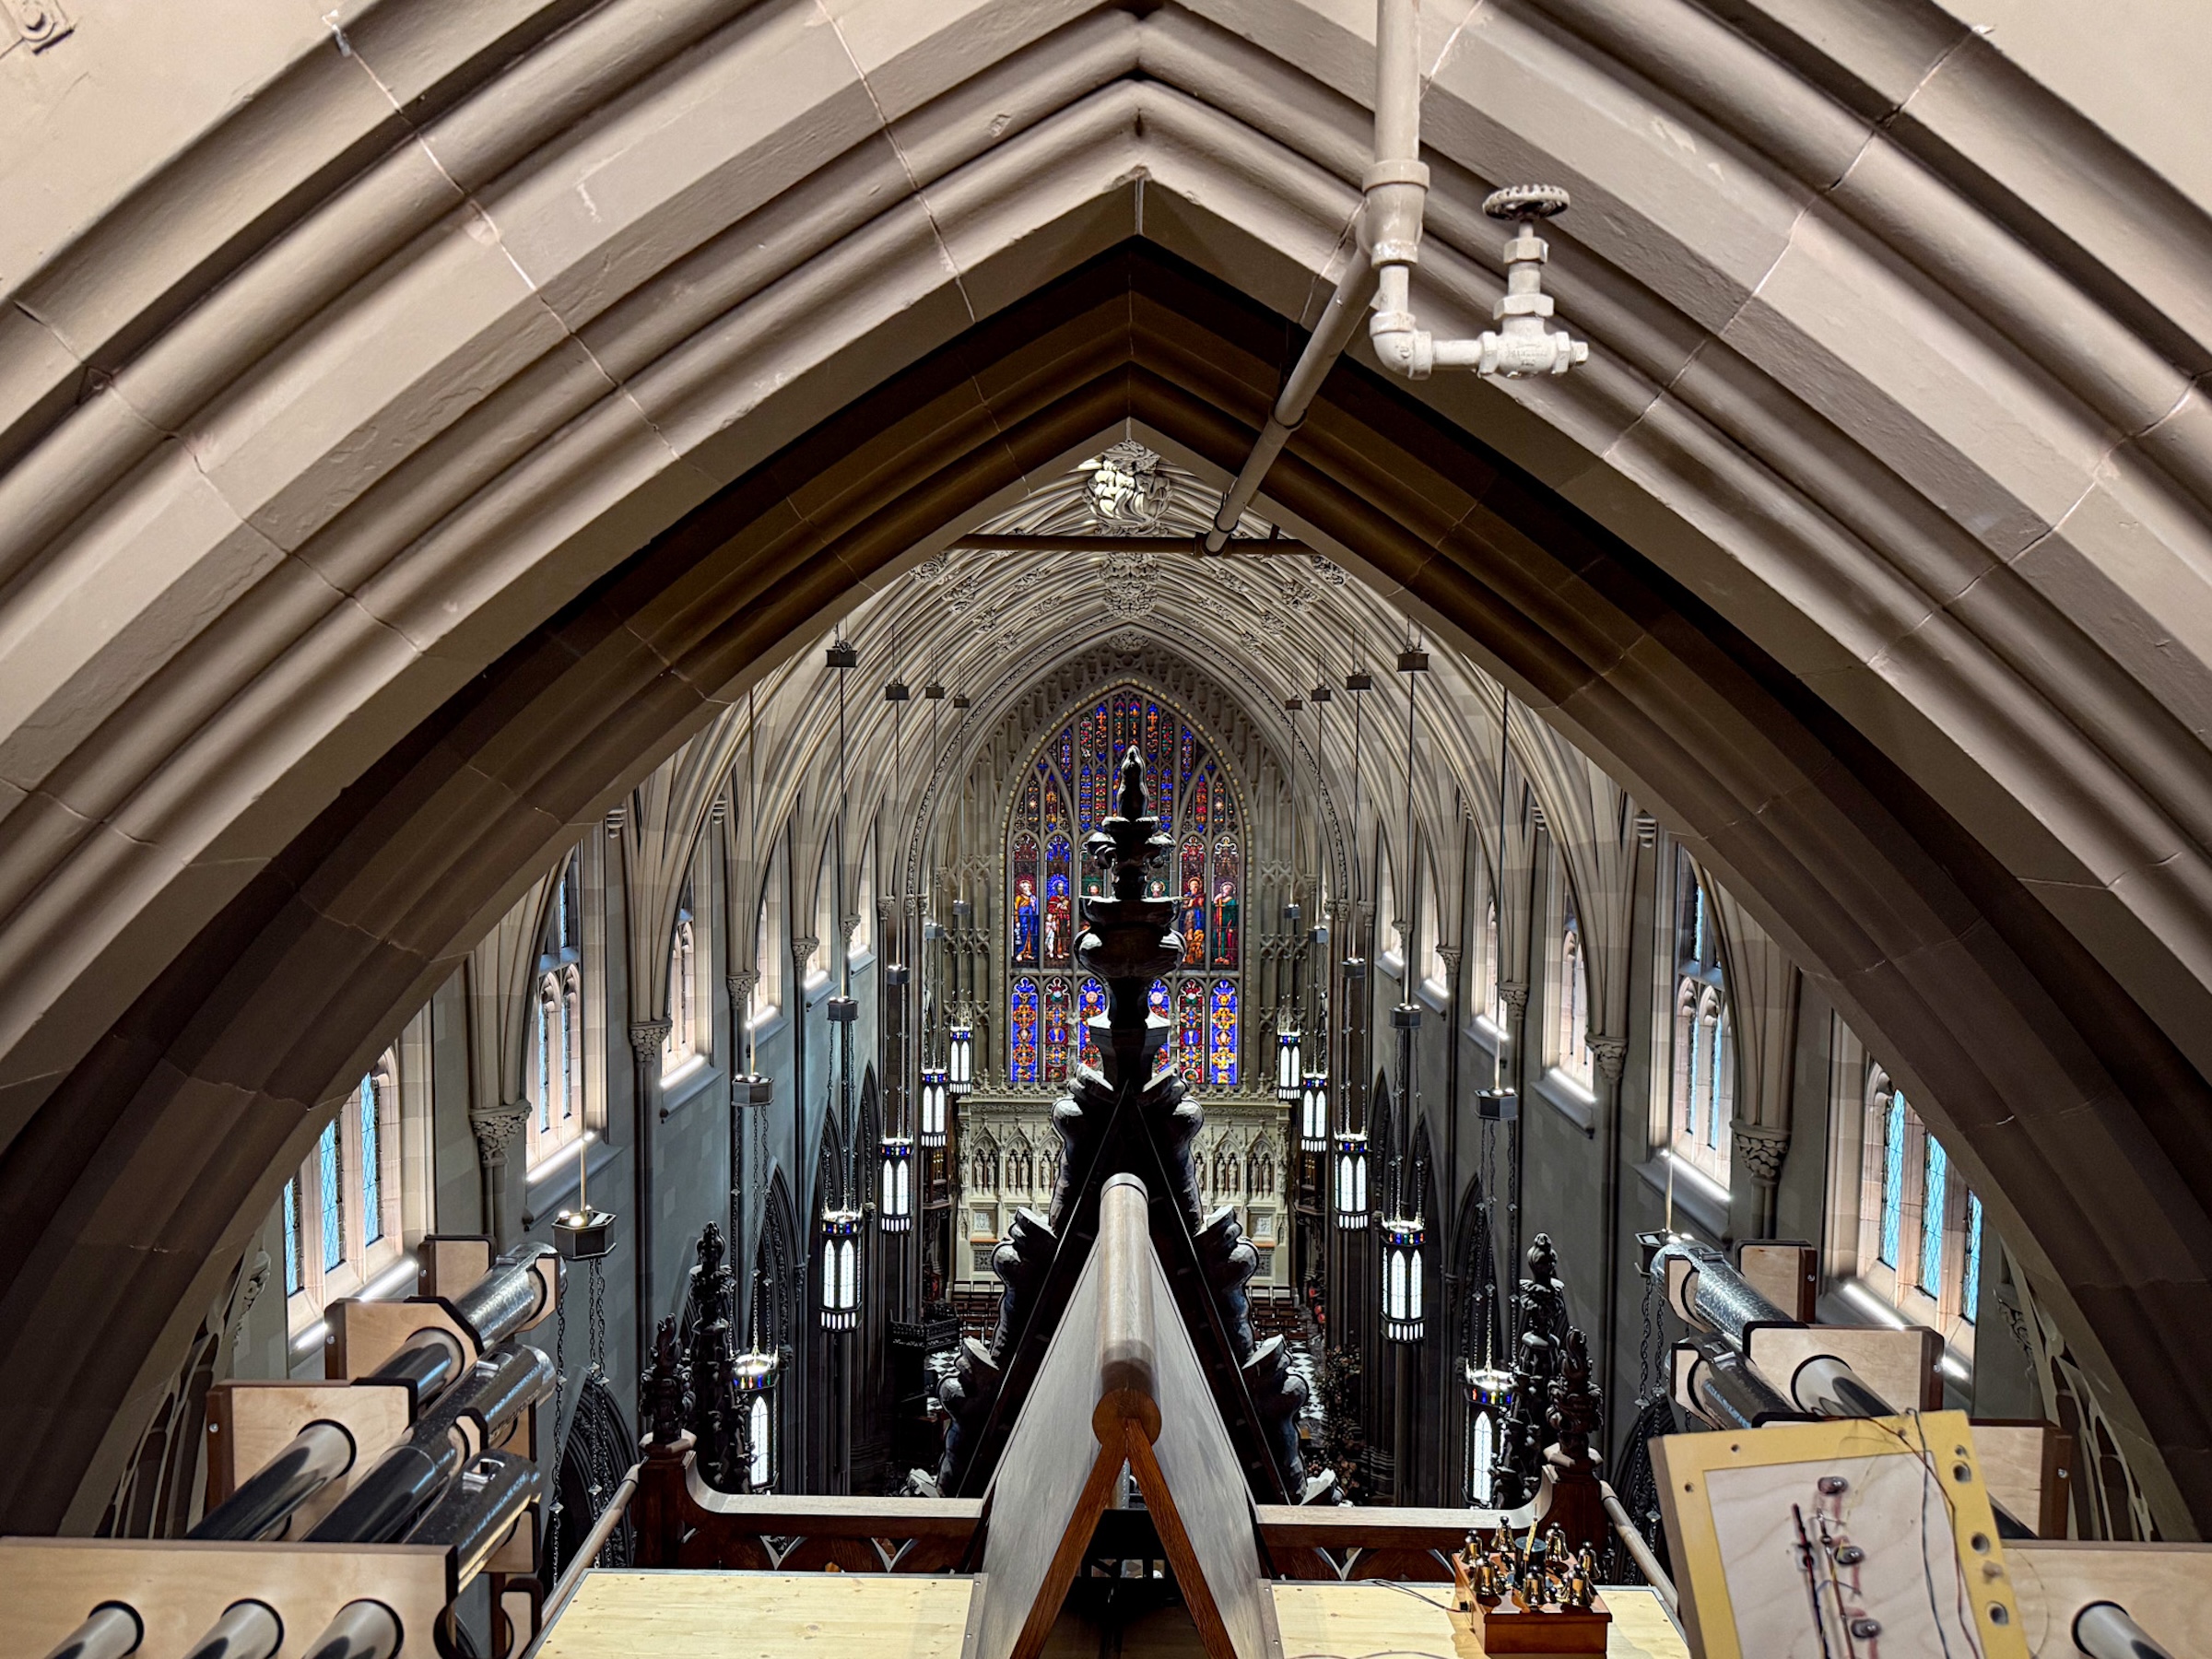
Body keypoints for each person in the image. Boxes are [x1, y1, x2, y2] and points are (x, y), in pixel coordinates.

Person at [1013, 875, 1038, 960]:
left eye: (1027, 887)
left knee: (1031, 935)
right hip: (1022, 919)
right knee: (1023, 935)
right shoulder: (1018, 898)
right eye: (1024, 887)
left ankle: (1029, 952)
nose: (1026, 888)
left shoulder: (1033, 898)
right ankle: (1020, 952)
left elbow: (1036, 909)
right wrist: (1017, 921)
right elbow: (1016, 910)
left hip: (1032, 919)